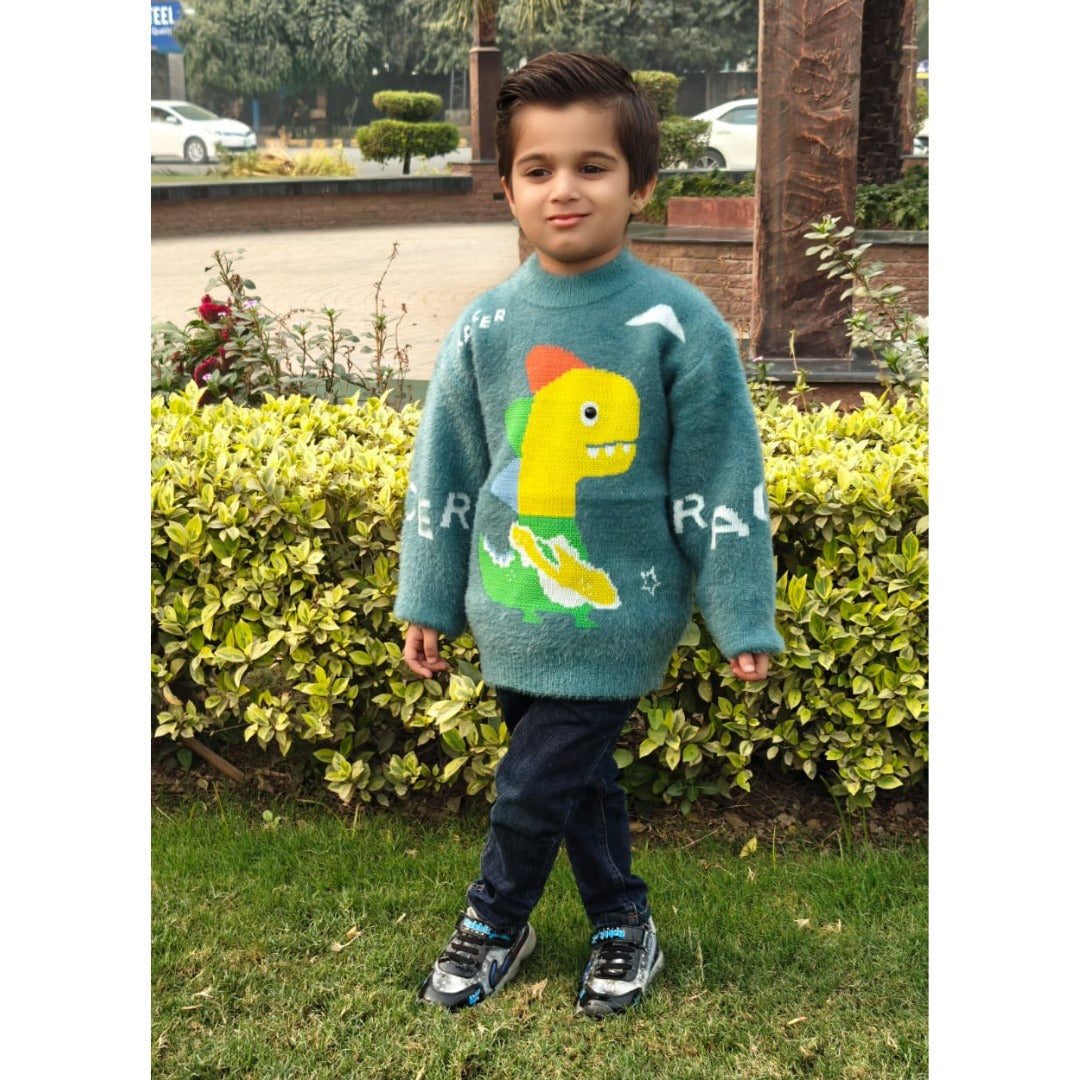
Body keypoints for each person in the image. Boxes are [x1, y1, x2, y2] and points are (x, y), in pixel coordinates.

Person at [393, 51, 783, 1018]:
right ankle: (621, 920)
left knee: (532, 786)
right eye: (538, 169)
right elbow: (447, 470)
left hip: (619, 611)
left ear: (640, 183)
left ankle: (495, 919)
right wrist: (428, 597)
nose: (563, 188)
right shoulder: (485, 327)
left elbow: (720, 477)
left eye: (592, 166)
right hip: (511, 605)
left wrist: (740, 611)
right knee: (578, 785)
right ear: (508, 190)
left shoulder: (681, 324)